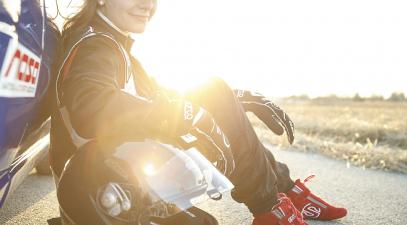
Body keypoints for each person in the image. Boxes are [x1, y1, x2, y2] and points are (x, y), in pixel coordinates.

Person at [49, 0, 347, 224]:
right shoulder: (95, 44)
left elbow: (162, 97)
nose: (148, 5)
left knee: (212, 89)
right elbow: (91, 107)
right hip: (105, 186)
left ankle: (280, 193)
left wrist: (232, 100)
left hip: (123, 168)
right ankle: (272, 205)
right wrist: (184, 114)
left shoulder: (111, 41)